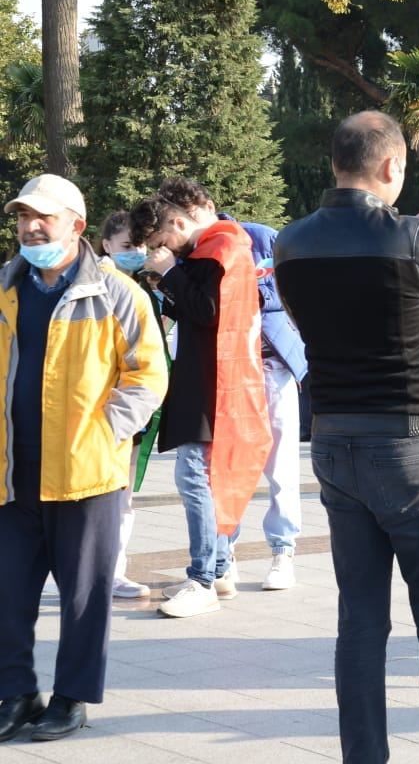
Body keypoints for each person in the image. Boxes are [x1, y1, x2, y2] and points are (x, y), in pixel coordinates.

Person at [274, 110, 419, 764]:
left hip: (337, 447)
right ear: (392, 168)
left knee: (361, 623)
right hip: (414, 447)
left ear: (336, 162)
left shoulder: (292, 242)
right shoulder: (410, 239)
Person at [0, 174, 167, 742]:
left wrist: (106, 431)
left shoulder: (119, 293)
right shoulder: (5, 289)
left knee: (84, 596)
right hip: (14, 471)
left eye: (41, 217)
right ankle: (17, 692)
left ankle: (71, 699)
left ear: (76, 222)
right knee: (9, 590)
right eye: (23, 217)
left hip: (85, 472)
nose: (30, 227)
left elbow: (149, 376)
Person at [129, 181, 273, 619]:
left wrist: (171, 270)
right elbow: (194, 309)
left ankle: (203, 577)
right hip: (210, 380)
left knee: (197, 479)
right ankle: (220, 567)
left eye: (161, 241)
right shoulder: (212, 247)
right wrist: (167, 278)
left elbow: (208, 311)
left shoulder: (221, 248)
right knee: (209, 479)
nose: (162, 248)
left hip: (216, 385)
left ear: (178, 222)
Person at [160, 178, 308, 592]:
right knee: (226, 464)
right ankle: (227, 554)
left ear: (205, 207)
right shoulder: (191, 252)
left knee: (280, 467)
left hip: (270, 363)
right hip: (226, 376)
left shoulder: (255, 238)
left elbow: (289, 291)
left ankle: (283, 550)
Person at [96, 212, 156, 600]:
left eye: (140, 246)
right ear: (105, 245)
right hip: (107, 415)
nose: (137, 253)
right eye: (127, 247)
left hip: (121, 414)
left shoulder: (139, 285)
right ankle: (106, 574)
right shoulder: (106, 287)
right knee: (114, 498)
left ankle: (110, 572)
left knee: (122, 497)